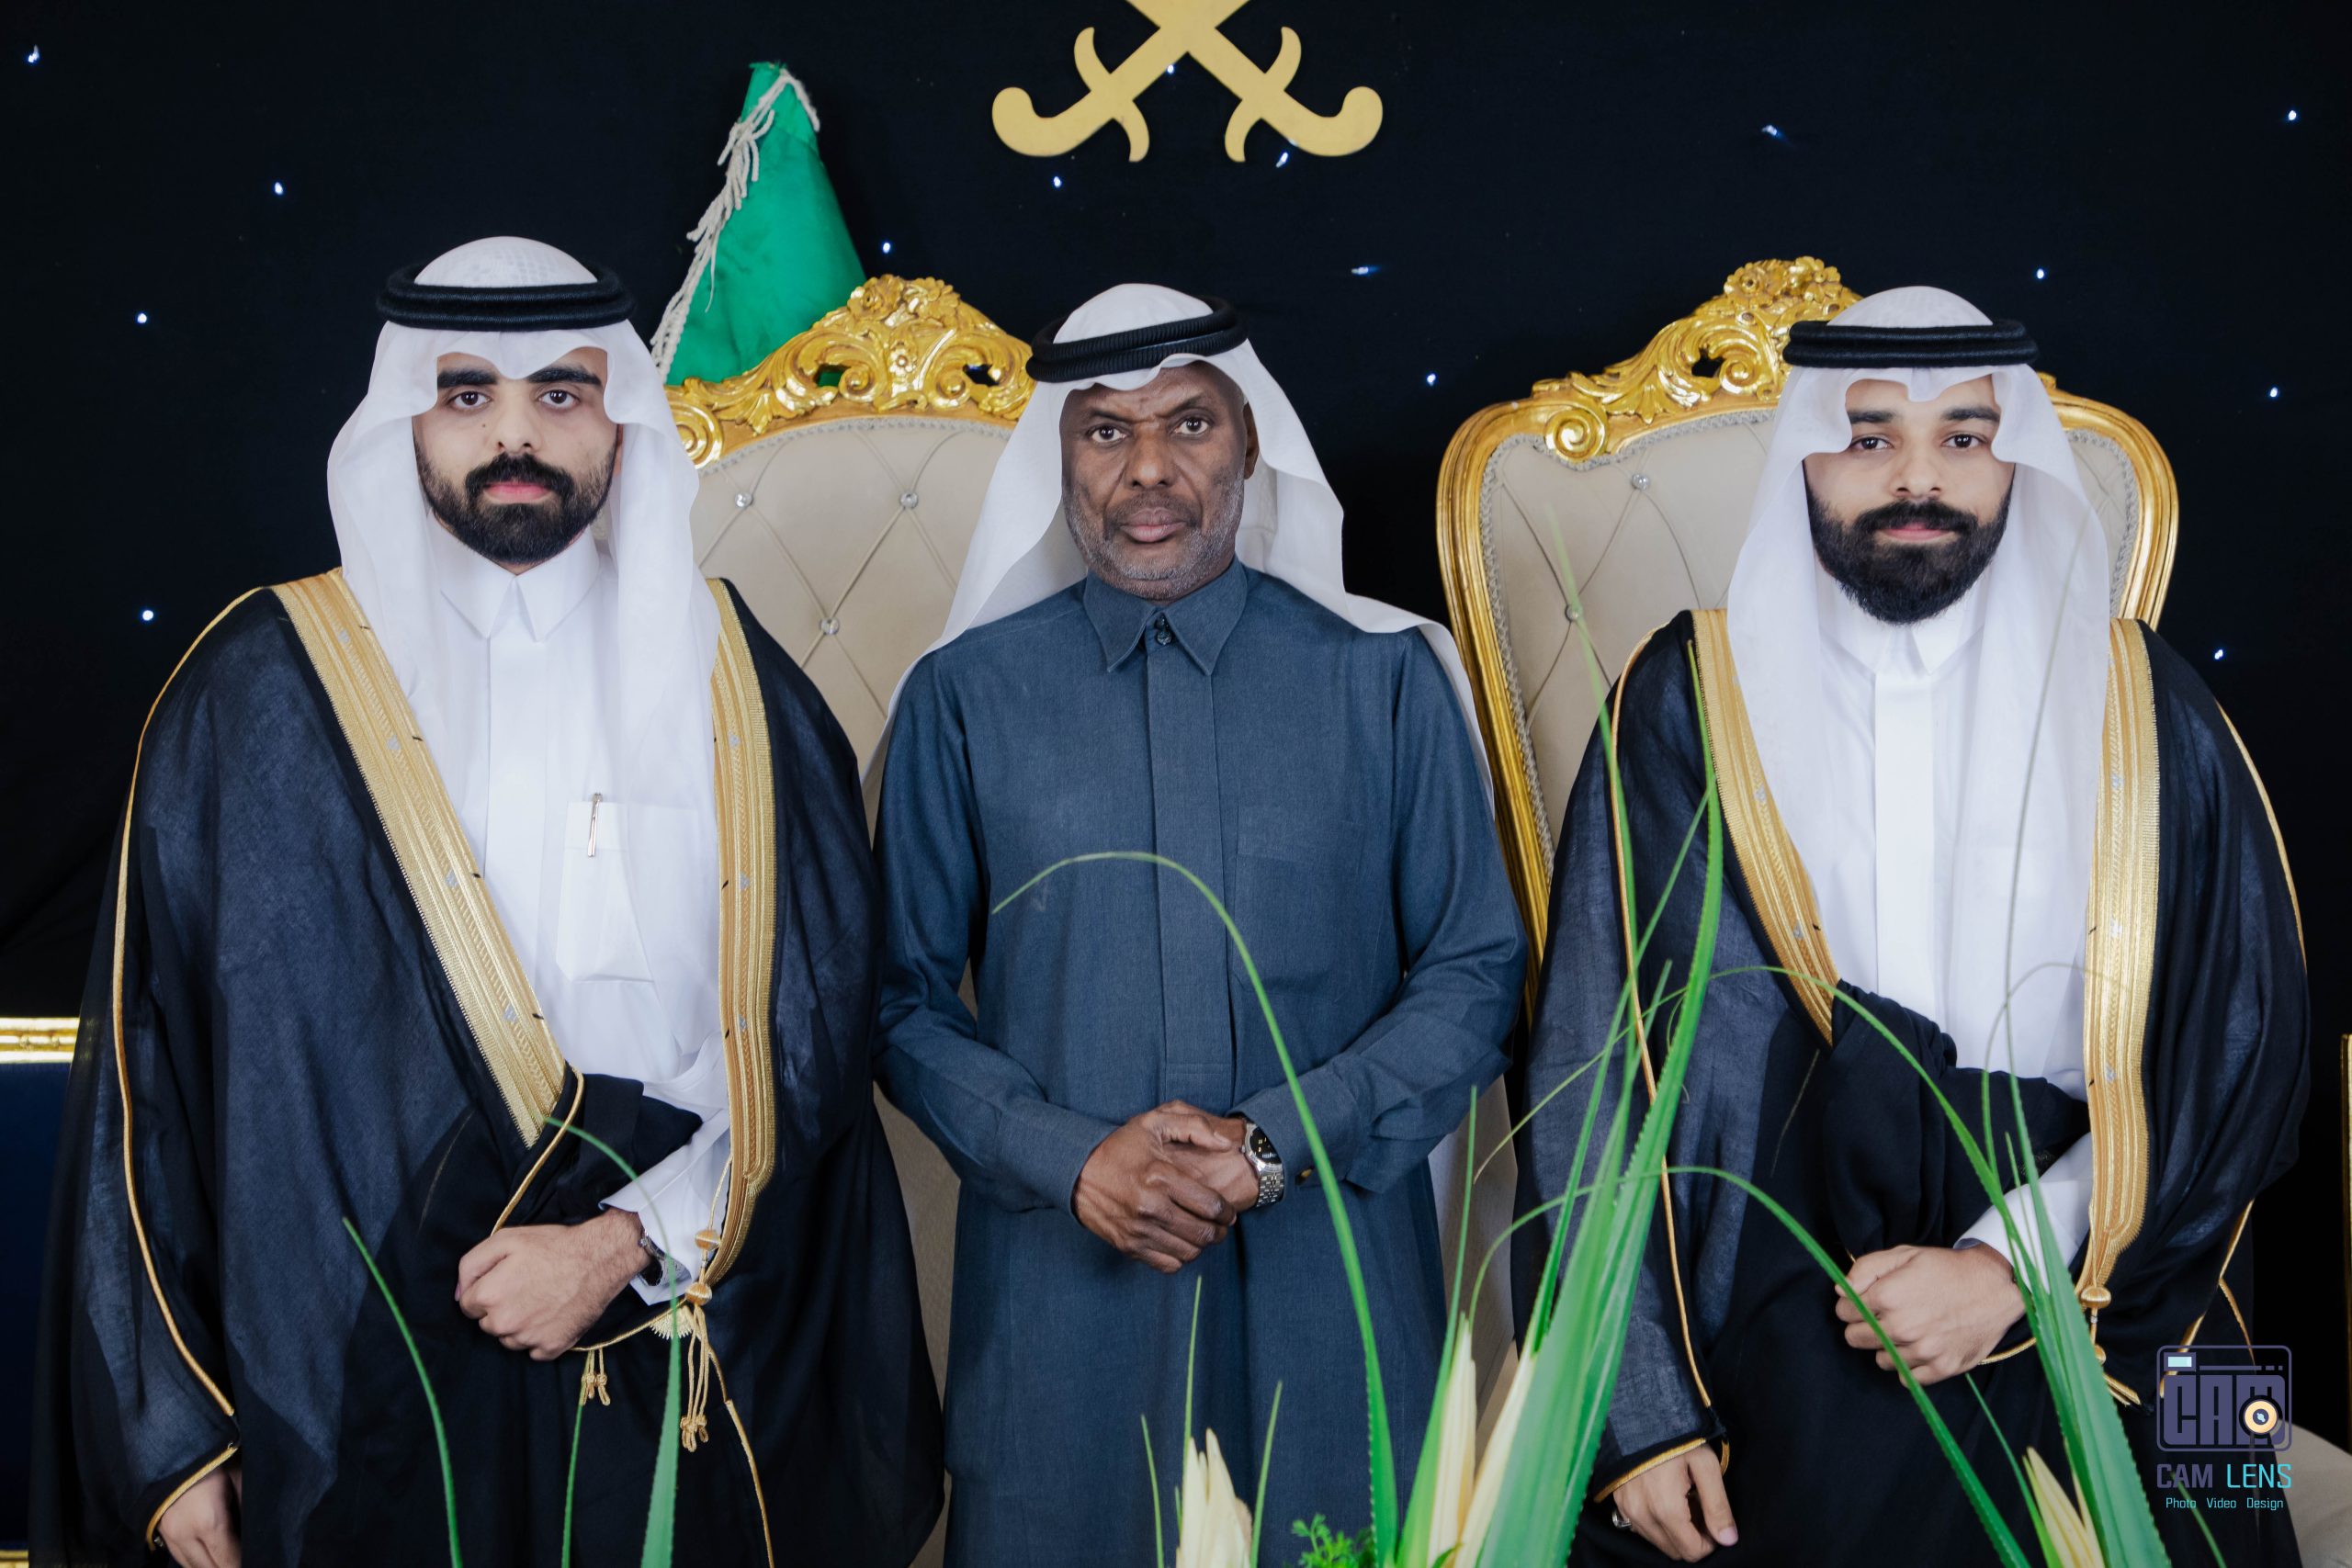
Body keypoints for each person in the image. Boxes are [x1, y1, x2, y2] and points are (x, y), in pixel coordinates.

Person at [31, 237, 942, 1568]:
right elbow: (148, 1077)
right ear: (406, 416)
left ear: (621, 421)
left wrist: (624, 1241)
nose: (516, 436)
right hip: (355, 1386)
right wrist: (173, 1439)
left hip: (669, 1342)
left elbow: (806, 1039)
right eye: (467, 394)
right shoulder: (260, 692)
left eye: (561, 393)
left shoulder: (739, 690)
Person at [1514, 288, 2307, 1565]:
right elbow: (1593, 1061)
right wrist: (1638, 1418)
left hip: (2119, 1251)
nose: (1918, 478)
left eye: (1965, 437)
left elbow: (2237, 1059)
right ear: (1804, 459)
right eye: (1869, 436)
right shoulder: (1690, 698)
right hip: (1789, 1252)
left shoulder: (2147, 708)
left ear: (2013, 458)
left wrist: (2007, 1269)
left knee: (2214, 1500)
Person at [872, 285, 1525, 1565]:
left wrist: (1273, 1145)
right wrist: (1070, 1158)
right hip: (1063, 1322)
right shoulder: (962, 698)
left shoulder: (1385, 678)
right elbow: (896, 1002)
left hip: (1332, 1300)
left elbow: (1474, 975)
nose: (1149, 469)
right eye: (1105, 431)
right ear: (1061, 458)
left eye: (1189, 423)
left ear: (1250, 442)